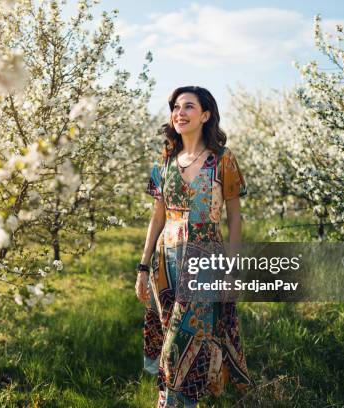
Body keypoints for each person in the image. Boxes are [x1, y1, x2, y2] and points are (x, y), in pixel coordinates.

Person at [135, 86, 251, 407]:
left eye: (188, 106)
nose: (179, 112)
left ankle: (172, 403)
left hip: (205, 259)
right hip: (166, 263)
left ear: (205, 115)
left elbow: (235, 219)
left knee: (181, 340)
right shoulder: (165, 163)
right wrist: (143, 268)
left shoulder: (223, 161)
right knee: (171, 335)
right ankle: (180, 398)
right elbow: (156, 218)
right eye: (175, 107)